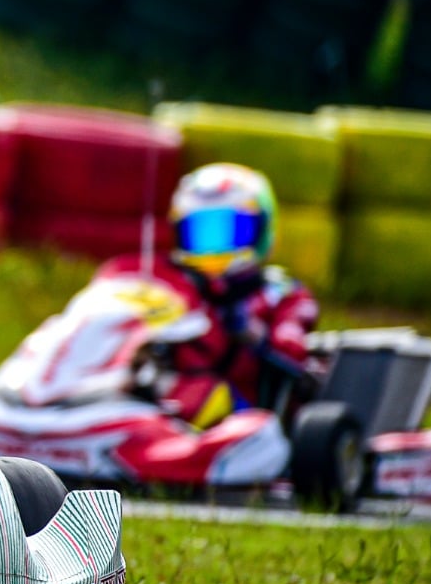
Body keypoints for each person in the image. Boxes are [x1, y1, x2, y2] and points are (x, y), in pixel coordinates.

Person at [93, 162, 319, 429]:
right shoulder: (176, 286)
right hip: (165, 389)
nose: (213, 248)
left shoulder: (281, 295)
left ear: (261, 232)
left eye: (229, 231)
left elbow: (293, 352)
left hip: (243, 410)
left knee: (203, 395)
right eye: (201, 233)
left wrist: (250, 330)